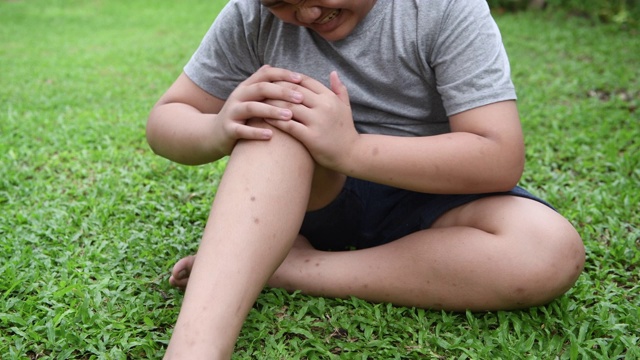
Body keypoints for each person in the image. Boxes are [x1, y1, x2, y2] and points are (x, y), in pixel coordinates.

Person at [146, 0, 586, 358]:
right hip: (316, 195)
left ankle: (288, 268)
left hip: (436, 196)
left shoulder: (445, 9)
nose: (307, 14)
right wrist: (217, 127)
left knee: (547, 250)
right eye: (282, 3)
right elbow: (166, 118)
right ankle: (195, 350)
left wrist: (352, 149)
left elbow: (499, 155)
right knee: (279, 117)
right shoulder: (250, 15)